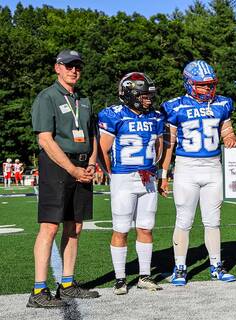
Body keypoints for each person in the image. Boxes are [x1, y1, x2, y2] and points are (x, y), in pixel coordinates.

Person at [29, 49, 99, 308]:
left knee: (75, 226)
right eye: (68, 65)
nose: (74, 70)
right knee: (49, 227)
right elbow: (45, 139)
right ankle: (38, 290)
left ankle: (67, 284)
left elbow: (92, 137)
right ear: (57, 67)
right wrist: (72, 169)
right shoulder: (47, 97)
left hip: (83, 167)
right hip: (58, 166)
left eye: (78, 66)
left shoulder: (84, 99)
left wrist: (91, 164)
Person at [159, 60, 236, 286]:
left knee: (213, 221)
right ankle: (180, 267)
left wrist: (230, 138)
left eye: (210, 84)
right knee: (184, 220)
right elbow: (169, 143)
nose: (207, 89)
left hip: (214, 167)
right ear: (189, 83)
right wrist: (163, 174)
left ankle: (216, 266)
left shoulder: (222, 103)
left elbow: (227, 130)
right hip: (187, 167)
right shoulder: (175, 106)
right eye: (201, 85)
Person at [98, 72, 164, 295]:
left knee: (146, 227)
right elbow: (103, 150)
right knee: (121, 228)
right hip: (123, 178)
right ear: (131, 94)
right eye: (144, 95)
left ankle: (144, 275)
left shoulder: (155, 117)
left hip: (148, 179)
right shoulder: (113, 115)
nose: (148, 99)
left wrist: (155, 169)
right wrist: (113, 174)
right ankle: (120, 278)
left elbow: (160, 147)